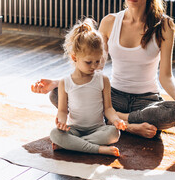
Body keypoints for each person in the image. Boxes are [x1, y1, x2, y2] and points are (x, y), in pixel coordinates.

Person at [32, 0, 175, 139]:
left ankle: (115, 118)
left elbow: (166, 76)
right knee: (57, 94)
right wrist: (58, 82)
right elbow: (95, 65)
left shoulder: (164, 26)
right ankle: (128, 125)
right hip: (113, 96)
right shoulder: (110, 22)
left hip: (146, 100)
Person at [49, 19, 127, 157]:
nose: (94, 66)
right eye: (88, 62)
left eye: (98, 61)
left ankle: (71, 145)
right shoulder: (65, 82)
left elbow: (108, 108)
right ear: (74, 57)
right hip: (74, 129)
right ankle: (98, 149)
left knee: (114, 133)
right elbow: (62, 111)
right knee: (55, 134)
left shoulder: (102, 80)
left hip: (98, 129)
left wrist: (116, 120)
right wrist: (61, 122)